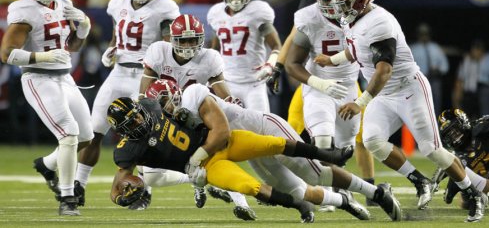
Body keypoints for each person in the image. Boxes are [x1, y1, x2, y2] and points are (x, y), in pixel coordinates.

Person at [314, 0, 485, 222]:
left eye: (345, 2)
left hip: (408, 89)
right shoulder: (353, 19)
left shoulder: (379, 22)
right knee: (372, 140)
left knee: (431, 149)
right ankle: (420, 181)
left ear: (360, 0)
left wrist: (359, 103)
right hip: (384, 94)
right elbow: (354, 49)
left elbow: (384, 70)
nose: (339, 8)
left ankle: (473, 193)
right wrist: (332, 59)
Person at [147, 79, 403, 221]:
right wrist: (198, 178)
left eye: (164, 102)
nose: (165, 110)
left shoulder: (194, 93)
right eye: (159, 108)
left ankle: (375, 193)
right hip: (248, 149)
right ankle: (343, 200)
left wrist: (199, 156)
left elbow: (222, 132)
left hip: (265, 129)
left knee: (316, 174)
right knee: (298, 191)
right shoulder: (172, 127)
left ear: (175, 94)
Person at [107, 97, 372, 223]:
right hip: (207, 165)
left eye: (138, 115)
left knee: (274, 143)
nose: (139, 121)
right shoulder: (128, 150)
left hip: (217, 141)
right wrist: (120, 197)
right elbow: (117, 184)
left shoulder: (152, 106)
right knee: (250, 187)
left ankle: (329, 155)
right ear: (123, 129)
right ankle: (298, 205)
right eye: (132, 122)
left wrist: (180, 113)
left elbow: (174, 109)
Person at [268, 0, 377, 207]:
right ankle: (290, 184)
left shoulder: (365, 11)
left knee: (354, 138)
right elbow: (295, 40)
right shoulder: (312, 11)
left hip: (348, 81)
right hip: (315, 81)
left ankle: (361, 184)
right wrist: (278, 66)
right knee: (302, 131)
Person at [76, 0, 180, 210]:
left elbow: (169, 46)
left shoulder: (164, 8)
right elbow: (116, 34)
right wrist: (111, 49)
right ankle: (77, 187)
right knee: (93, 131)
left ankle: (142, 189)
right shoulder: (117, 3)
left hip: (145, 76)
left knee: (143, 137)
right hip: (118, 73)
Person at [139, 13, 254, 219]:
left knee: (217, 155)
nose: (189, 44)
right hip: (165, 116)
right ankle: (196, 180)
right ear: (172, 39)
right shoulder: (158, 51)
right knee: (151, 177)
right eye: (184, 40)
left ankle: (242, 203)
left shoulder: (209, 57)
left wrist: (229, 100)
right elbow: (143, 94)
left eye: (193, 39)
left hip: (195, 116)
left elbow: (220, 87)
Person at [0, 0, 93, 216]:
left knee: (86, 136)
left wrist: (84, 29)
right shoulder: (24, 10)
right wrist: (43, 58)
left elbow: (71, 47)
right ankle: (67, 197)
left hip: (65, 78)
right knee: (70, 134)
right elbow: (7, 54)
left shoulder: (63, 4)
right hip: (38, 78)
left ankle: (46, 165)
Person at [207, 0, 282, 112]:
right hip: (227, 82)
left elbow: (277, 45)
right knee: (228, 127)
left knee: (260, 125)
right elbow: (215, 50)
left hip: (255, 83)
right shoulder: (216, 14)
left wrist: (270, 65)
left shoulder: (257, 11)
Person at [431, 109, 489, 210]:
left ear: (463, 122)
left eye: (455, 131)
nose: (454, 137)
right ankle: (457, 171)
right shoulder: (461, 154)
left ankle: (455, 167)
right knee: (467, 201)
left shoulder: (482, 129)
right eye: (449, 135)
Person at [410, 23, 449, 116]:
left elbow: (445, 66)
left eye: (426, 34)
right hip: (419, 82)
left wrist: (438, 70)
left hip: (434, 80)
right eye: (422, 34)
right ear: (418, 35)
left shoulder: (435, 48)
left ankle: (435, 127)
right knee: (419, 106)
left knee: (435, 105)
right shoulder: (413, 49)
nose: (424, 36)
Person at [452, 39, 486, 119]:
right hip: (468, 94)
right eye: (475, 49)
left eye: (479, 50)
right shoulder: (466, 61)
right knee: (467, 117)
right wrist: (457, 93)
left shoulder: (485, 62)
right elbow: (460, 78)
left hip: (481, 94)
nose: (477, 52)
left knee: (481, 118)